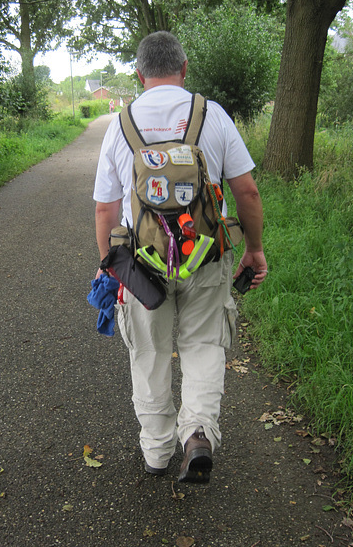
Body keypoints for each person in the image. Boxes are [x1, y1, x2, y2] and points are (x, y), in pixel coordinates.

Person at [93, 31, 267, 483]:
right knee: (204, 343)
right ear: (184, 69)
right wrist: (255, 248)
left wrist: (110, 266)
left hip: (143, 260)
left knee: (148, 351)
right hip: (206, 253)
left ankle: (155, 452)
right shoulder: (212, 116)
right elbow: (246, 189)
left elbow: (105, 208)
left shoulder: (121, 123)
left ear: (138, 74)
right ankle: (197, 435)